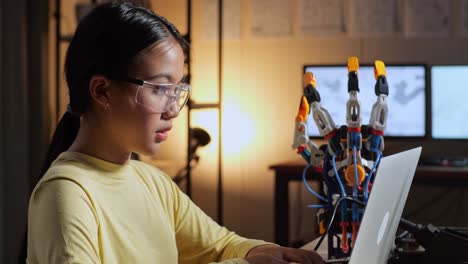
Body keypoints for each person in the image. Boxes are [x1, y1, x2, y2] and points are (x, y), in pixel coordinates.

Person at [26, 2, 323, 264]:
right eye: (160, 89)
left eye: (177, 90)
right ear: (102, 90)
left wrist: (273, 253)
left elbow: (221, 246)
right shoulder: (66, 193)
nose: (173, 110)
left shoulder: (152, 182)